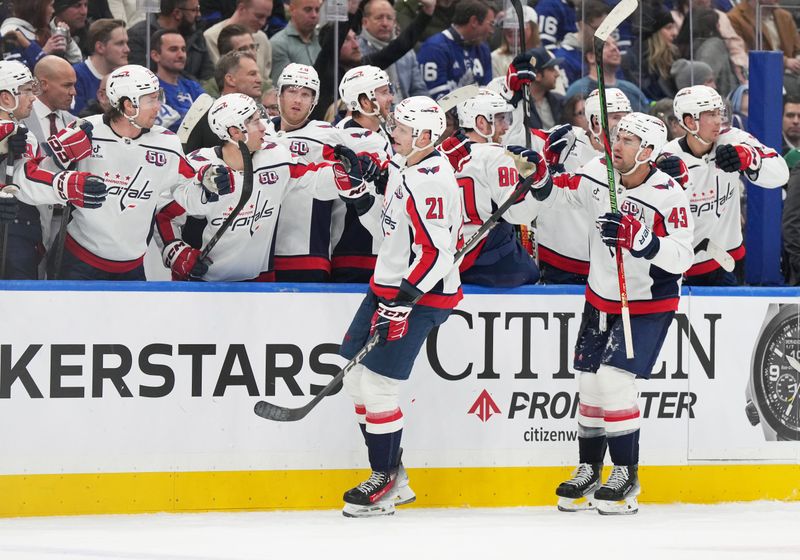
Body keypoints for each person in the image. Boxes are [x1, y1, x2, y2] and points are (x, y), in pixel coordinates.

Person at [542, 112, 694, 515]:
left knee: (613, 379)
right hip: (600, 297)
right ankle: (590, 470)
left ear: (647, 151)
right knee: (589, 382)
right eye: (618, 136)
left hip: (646, 304)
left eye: (627, 140)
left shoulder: (668, 194)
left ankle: (626, 474)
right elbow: (560, 193)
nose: (617, 145)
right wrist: (544, 172)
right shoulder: (597, 172)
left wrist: (644, 240)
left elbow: (682, 257)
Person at [338, 96, 463, 518]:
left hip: (419, 294)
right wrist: (359, 194)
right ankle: (395, 475)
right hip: (389, 285)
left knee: (379, 386)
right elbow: (386, 231)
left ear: (426, 137)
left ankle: (384, 480)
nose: (393, 134)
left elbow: (437, 254)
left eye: (403, 130)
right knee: (355, 376)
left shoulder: (430, 180)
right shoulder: (404, 166)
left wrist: (404, 302)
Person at [155, 93, 366, 281]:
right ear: (235, 132)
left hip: (259, 284)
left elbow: (313, 179)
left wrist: (346, 174)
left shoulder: (276, 157)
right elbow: (164, 214)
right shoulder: (198, 165)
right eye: (255, 122)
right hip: (204, 283)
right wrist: (175, 251)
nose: (264, 127)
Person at [57, 64, 198, 280]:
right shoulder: (85, 130)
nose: (159, 106)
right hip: (79, 261)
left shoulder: (168, 143)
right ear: (128, 105)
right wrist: (59, 159)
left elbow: (188, 194)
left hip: (132, 266)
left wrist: (208, 186)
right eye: (151, 99)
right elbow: (47, 180)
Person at [661, 86, 789, 286]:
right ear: (689, 121)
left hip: (726, 262)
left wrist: (750, 158)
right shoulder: (667, 157)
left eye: (719, 113)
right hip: (677, 269)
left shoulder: (733, 139)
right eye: (711, 114)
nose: (718, 120)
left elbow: (781, 174)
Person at [0, 60, 105, 279]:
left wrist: (61, 153)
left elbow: (25, 176)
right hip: (13, 231)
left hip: (24, 229)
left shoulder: (23, 133)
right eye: (27, 90)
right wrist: (65, 184)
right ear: (6, 97)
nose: (33, 97)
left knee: (23, 307)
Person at [438, 88, 540, 287]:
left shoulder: (441, 152)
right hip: (488, 261)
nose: (505, 127)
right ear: (481, 123)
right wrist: (539, 186)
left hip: (446, 259)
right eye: (500, 119)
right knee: (532, 275)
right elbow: (519, 215)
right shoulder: (497, 155)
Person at [535, 87, 630, 285]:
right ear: (596, 121)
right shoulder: (564, 140)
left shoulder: (632, 154)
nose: (624, 125)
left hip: (608, 267)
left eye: (626, 117)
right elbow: (517, 141)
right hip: (560, 262)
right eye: (616, 117)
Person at [268, 63, 348, 281]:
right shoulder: (260, 133)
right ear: (280, 94)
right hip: (259, 256)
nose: (297, 100)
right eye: (292, 91)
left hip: (307, 253)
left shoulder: (327, 136)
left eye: (305, 94)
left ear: (314, 100)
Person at [331, 65, 394, 282]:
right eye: (384, 92)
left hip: (362, 248)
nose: (391, 97)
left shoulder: (375, 131)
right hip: (360, 251)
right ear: (365, 101)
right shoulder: (357, 140)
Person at [23, 55, 78, 266]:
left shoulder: (76, 124)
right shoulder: (18, 119)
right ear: (43, 85)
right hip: (28, 219)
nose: (73, 92)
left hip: (66, 221)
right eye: (67, 85)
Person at [184, 51, 263, 152]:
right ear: (230, 79)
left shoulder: (262, 113)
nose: (259, 80)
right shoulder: (207, 119)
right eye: (252, 74)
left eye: (258, 73)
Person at [416, 0, 495, 99]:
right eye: (491, 24)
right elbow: (440, 101)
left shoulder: (483, 48)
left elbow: (488, 94)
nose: (492, 31)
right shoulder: (434, 48)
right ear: (474, 21)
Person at [358, 0, 427, 102]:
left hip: (406, 112)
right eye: (379, 18)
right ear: (365, 22)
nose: (385, 23)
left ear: (395, 22)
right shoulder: (356, 50)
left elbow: (419, 90)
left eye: (389, 18)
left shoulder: (407, 53)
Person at [126, 0, 212, 82]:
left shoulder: (196, 34)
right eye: (194, 10)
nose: (199, 14)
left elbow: (208, 74)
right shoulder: (138, 36)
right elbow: (140, 76)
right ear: (177, 13)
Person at [564, 37, 650, 113]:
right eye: (605, 45)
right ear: (591, 57)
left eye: (615, 44)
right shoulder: (580, 89)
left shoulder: (632, 90)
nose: (614, 48)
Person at [204, 0, 273, 89]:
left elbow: (266, 81)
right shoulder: (211, 37)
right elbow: (218, 79)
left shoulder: (262, 38)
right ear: (241, 8)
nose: (263, 23)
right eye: (259, 16)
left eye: (267, 18)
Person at [150, 30, 206, 132]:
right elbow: (168, 122)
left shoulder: (192, 86)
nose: (181, 55)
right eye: (173, 49)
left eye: (183, 49)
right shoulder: (153, 88)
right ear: (156, 55)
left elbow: (210, 113)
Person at [71, 18, 130, 115]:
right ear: (100, 47)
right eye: (120, 44)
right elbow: (76, 120)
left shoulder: (126, 76)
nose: (127, 49)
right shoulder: (76, 75)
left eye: (127, 43)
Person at [0, 0, 69, 69]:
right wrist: (43, 52)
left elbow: (76, 60)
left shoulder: (41, 30)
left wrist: (67, 39)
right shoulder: (9, 33)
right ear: (36, 7)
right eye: (51, 5)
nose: (53, 11)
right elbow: (15, 73)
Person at [269, 0, 322, 84]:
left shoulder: (322, 40)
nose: (314, 15)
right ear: (292, 10)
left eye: (317, 10)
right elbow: (282, 86)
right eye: (308, 10)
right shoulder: (279, 44)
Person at [490, 4, 540, 81]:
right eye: (508, 24)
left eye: (519, 24)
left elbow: (557, 91)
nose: (512, 29)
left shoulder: (546, 56)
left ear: (533, 28)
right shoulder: (495, 58)